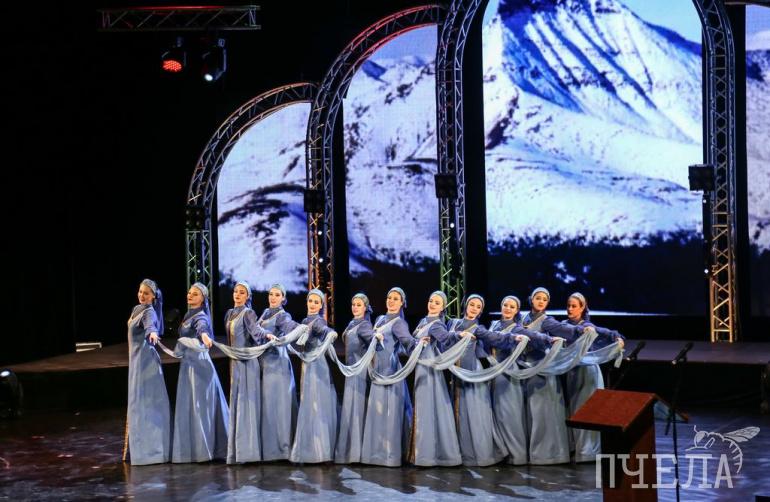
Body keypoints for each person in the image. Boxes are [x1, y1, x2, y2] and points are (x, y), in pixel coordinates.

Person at [520, 287, 585, 465]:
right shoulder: (522, 319)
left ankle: (549, 453)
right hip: (525, 370)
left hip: (543, 369)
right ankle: (532, 452)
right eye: (538, 298)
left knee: (545, 411)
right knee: (530, 412)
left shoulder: (547, 321)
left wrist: (583, 330)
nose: (541, 301)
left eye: (544, 299)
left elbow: (565, 329)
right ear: (531, 300)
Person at [487, 295, 552, 465]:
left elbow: (534, 336)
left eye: (512, 307)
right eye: (505, 305)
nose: (508, 309)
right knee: (498, 413)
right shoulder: (494, 324)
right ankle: (503, 452)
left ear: (517, 311)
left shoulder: (517, 328)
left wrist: (549, 339)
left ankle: (518, 455)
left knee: (511, 414)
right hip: (495, 372)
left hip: (509, 373)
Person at [563, 292, 625, 462]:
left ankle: (588, 451)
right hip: (572, 372)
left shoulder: (588, 326)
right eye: (568, 305)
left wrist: (619, 339)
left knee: (587, 409)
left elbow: (611, 333)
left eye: (574, 306)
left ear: (582, 308)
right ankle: (577, 448)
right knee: (573, 410)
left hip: (588, 372)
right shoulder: (564, 325)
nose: (570, 309)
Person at [446, 294, 507, 466]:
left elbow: (497, 338)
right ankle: (463, 453)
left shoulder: (478, 329)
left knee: (475, 412)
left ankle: (480, 453)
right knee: (461, 412)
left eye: (478, 307)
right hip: (457, 373)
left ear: (480, 311)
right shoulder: (454, 324)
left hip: (473, 374)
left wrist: (515, 338)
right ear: (466, 305)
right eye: (472, 304)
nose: (474, 308)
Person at [172, 282, 229, 463]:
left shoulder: (200, 316)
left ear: (203, 298)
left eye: (195, 294)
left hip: (199, 366)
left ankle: (204, 450)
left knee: (199, 406)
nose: (190, 295)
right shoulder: (188, 314)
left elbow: (202, 327)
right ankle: (192, 450)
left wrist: (204, 335)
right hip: (188, 364)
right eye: (189, 293)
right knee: (190, 405)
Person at [361, 287, 415, 466]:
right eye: (389, 297)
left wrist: (419, 345)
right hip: (377, 370)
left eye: (395, 298)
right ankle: (376, 453)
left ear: (402, 303)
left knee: (390, 412)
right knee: (378, 410)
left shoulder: (399, 323)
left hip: (390, 371)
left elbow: (408, 342)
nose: (391, 301)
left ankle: (390, 455)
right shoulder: (379, 319)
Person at [408, 291, 462, 467]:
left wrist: (459, 335)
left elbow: (446, 338)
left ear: (443, 307)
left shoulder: (436, 324)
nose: (432, 304)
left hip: (429, 369)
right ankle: (425, 453)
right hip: (421, 367)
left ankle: (428, 455)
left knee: (428, 408)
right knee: (426, 407)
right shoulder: (424, 321)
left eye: (437, 303)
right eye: (431, 300)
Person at [125, 278, 171, 465]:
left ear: (153, 297)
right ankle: (141, 449)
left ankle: (152, 451)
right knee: (139, 403)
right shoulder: (137, 309)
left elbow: (150, 324)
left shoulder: (149, 311)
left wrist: (152, 332)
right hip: (137, 361)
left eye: (146, 293)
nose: (142, 295)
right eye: (140, 292)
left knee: (146, 404)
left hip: (145, 363)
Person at [289, 289, 338, 463]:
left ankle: (319, 451)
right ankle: (308, 448)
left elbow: (323, 329)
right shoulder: (305, 321)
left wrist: (330, 333)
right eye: (311, 301)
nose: (313, 304)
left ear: (321, 306)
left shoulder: (318, 321)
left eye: (317, 302)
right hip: (307, 363)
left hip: (317, 365)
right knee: (308, 402)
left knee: (316, 403)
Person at [225, 281, 270, 464]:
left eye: (242, 292)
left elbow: (256, 331)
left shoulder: (248, 313)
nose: (237, 294)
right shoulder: (230, 313)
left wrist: (266, 335)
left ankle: (249, 453)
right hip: (234, 362)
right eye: (236, 291)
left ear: (248, 296)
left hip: (247, 364)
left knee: (246, 404)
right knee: (237, 403)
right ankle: (236, 452)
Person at [335, 293, 379, 464]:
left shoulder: (364, 325)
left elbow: (372, 341)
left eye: (359, 305)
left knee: (357, 408)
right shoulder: (353, 323)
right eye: (353, 304)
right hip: (351, 371)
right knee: (351, 407)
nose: (355, 307)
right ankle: (351, 450)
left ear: (365, 307)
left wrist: (377, 337)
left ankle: (357, 451)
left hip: (360, 372)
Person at [256, 284, 298, 461]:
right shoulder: (266, 312)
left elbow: (290, 326)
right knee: (268, 406)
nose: (273, 297)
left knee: (279, 406)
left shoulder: (282, 315)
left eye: (277, 295)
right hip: (265, 364)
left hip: (277, 365)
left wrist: (301, 329)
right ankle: (269, 449)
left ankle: (282, 449)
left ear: (283, 298)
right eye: (271, 294)